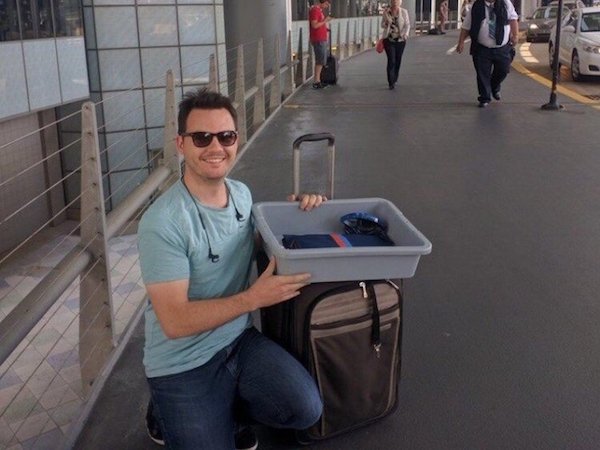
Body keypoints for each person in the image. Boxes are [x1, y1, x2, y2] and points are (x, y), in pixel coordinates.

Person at [138, 88, 325, 450]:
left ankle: (228, 411)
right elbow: (174, 322)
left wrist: (300, 211)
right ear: (181, 144)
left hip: (236, 341)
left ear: (236, 140)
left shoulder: (241, 194)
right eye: (201, 137)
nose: (215, 147)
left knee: (305, 409)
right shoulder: (163, 223)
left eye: (225, 136)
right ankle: (162, 411)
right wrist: (253, 299)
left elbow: (258, 244)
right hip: (181, 362)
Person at [456, 0, 518, 107]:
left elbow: (513, 19)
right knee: (482, 74)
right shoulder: (476, 5)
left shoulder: (505, 3)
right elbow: (466, 26)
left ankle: (494, 86)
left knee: (503, 70)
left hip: (502, 48)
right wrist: (461, 42)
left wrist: (515, 35)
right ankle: (484, 97)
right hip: (482, 48)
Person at [381, 0, 410, 90]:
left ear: (400, 2)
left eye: (397, 1)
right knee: (391, 60)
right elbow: (382, 25)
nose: (395, 2)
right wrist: (386, 23)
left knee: (398, 60)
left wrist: (406, 34)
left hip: (400, 40)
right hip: (389, 39)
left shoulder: (404, 12)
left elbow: (407, 24)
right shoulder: (386, 12)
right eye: (393, 1)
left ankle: (395, 77)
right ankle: (391, 82)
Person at [309, 0, 333, 89]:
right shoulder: (315, 10)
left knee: (322, 59)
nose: (327, 6)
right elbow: (314, 25)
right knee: (320, 60)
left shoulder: (319, 10)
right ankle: (316, 81)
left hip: (321, 38)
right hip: (318, 39)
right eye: (327, 3)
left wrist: (324, 28)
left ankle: (318, 79)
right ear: (322, 2)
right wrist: (325, 21)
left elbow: (318, 24)